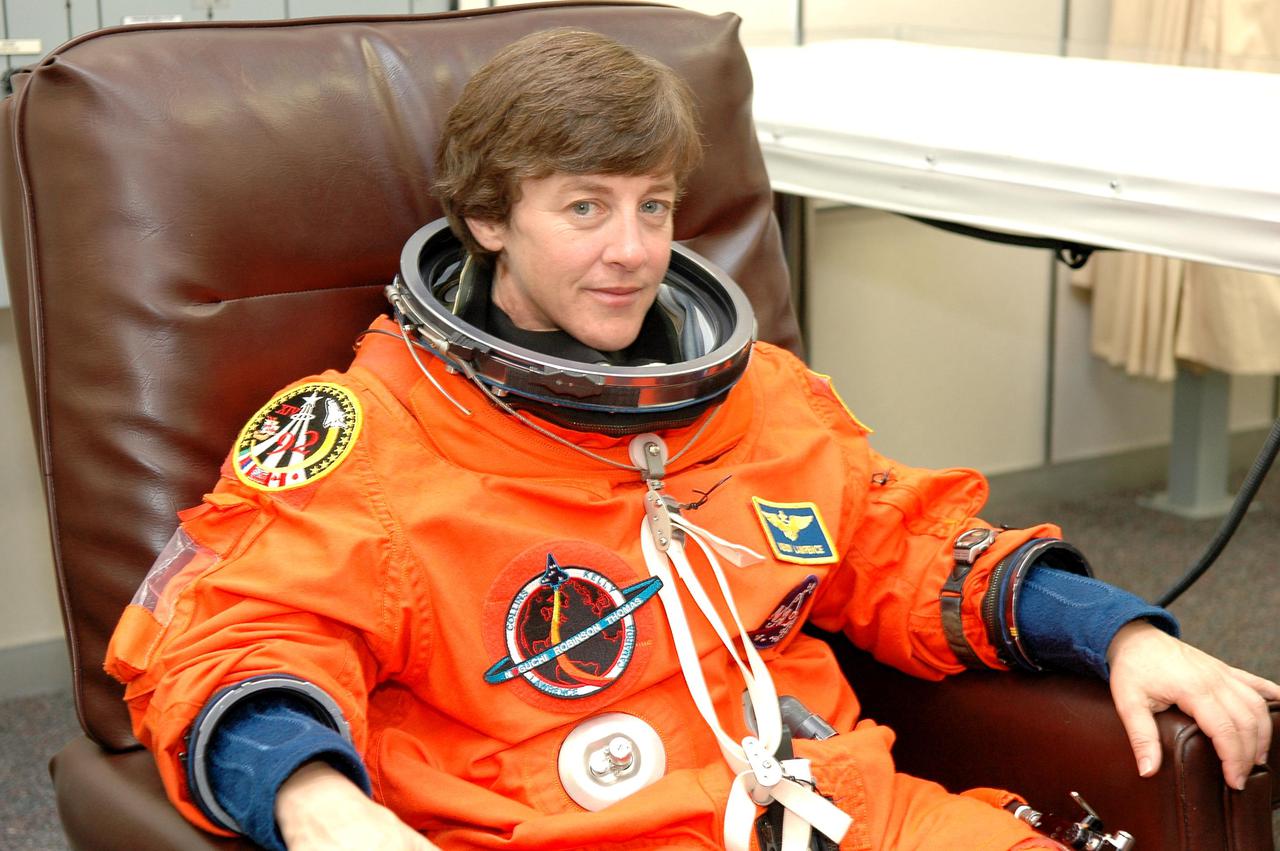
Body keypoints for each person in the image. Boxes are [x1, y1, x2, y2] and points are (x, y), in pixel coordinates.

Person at [105, 28, 1279, 851]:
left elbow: (901, 541)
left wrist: (1117, 632)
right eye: (582, 206)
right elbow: (231, 638)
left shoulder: (754, 395)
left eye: (653, 204)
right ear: (484, 218)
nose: (631, 249)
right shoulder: (369, 439)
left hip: (836, 809)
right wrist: (319, 802)